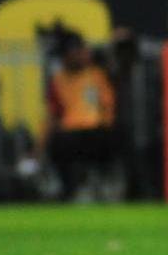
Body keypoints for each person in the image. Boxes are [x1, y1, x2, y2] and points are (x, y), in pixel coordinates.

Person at [45, 32, 118, 200]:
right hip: (70, 133)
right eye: (75, 52)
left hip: (97, 131)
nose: (82, 55)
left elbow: (108, 105)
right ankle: (70, 188)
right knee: (57, 144)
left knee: (114, 137)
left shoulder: (98, 74)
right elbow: (53, 115)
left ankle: (104, 184)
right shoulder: (58, 80)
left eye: (82, 51)